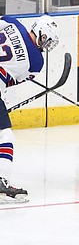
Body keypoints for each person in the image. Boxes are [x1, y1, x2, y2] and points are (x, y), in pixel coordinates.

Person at [0, 14, 59, 203]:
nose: (46, 46)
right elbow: (10, 81)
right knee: (4, 136)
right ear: (42, 33)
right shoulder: (36, 63)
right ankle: (1, 183)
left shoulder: (11, 21)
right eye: (47, 41)